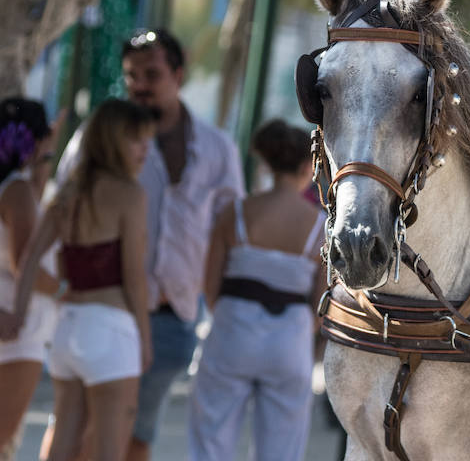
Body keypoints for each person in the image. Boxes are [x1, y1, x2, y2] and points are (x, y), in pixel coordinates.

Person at [55, 28, 245, 461]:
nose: (139, 84)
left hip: (176, 315)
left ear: (178, 74)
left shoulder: (217, 149)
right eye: (131, 75)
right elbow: (62, 204)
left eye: (151, 74)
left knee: (138, 434)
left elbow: (229, 230)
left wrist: (220, 306)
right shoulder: (97, 140)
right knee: (82, 431)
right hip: (107, 308)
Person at [2, 98, 155, 461]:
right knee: (107, 448)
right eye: (136, 140)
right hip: (113, 329)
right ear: (113, 141)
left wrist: (19, 313)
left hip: (67, 331)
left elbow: (27, 260)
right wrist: (146, 338)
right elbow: (133, 276)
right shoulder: (129, 194)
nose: (145, 150)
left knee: (63, 442)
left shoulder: (69, 191)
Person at [189, 119, 326, 461]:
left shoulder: (236, 212)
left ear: (267, 162)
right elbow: (321, 302)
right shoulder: (319, 226)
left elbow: (210, 282)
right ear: (308, 166)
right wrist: (300, 326)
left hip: (233, 326)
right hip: (290, 336)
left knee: (211, 437)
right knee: (282, 447)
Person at [0, 98, 58, 461]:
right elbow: (26, 265)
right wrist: (70, 288)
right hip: (16, 330)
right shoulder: (16, 191)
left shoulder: (16, 188)